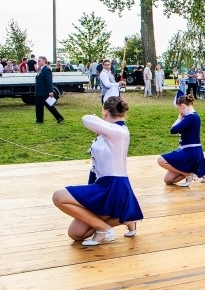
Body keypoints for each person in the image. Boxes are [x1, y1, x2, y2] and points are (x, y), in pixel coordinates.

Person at [51, 97, 143, 245]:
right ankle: (125, 219)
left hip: (113, 187)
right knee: (76, 234)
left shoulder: (119, 131)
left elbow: (86, 119)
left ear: (105, 112)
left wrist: (100, 120)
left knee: (58, 196)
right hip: (102, 186)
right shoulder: (106, 133)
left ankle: (104, 229)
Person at [158, 94, 205, 187]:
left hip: (189, 152)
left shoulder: (191, 117)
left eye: (179, 108)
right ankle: (191, 171)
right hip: (189, 151)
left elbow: (173, 130)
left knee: (161, 160)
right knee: (168, 180)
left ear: (182, 105)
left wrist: (179, 118)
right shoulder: (192, 116)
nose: (179, 110)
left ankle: (188, 174)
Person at [34, 56, 65, 124]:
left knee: (49, 106)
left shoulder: (46, 70)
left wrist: (50, 91)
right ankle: (39, 119)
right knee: (39, 106)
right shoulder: (41, 69)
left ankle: (59, 117)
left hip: (44, 92)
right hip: (39, 91)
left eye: (39, 61)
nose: (38, 62)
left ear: (43, 61)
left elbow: (49, 81)